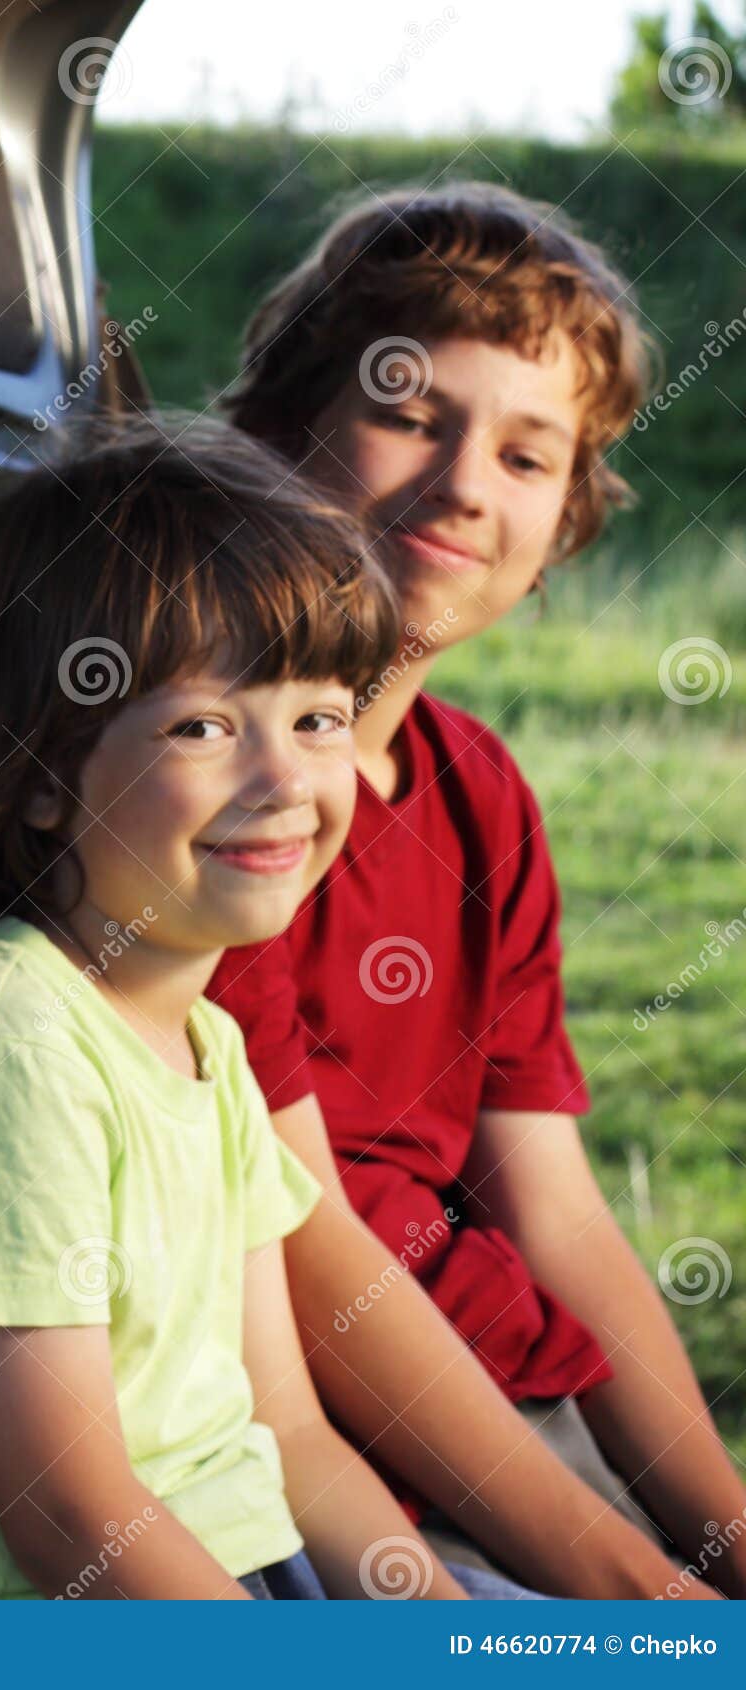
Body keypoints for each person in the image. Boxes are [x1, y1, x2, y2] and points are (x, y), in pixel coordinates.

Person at [0, 420, 533, 1599]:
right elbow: (68, 1509)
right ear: (40, 776)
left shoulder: (205, 1042)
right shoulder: (9, 1060)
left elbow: (288, 1435)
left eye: (319, 717)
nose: (286, 778)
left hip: (238, 1568)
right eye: (203, 726)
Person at [207, 180, 746, 1597]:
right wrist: (629, 1587)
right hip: (306, 1460)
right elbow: (307, 1252)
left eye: (527, 454)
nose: (461, 484)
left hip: (505, 1404)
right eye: (410, 412)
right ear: (279, 430)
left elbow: (554, 1212)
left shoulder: (478, 795)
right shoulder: (211, 794)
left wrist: (721, 1542)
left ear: (567, 518)